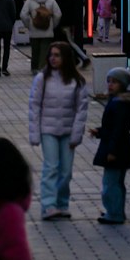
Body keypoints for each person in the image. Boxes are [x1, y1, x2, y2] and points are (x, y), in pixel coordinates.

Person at [28, 40, 90, 220]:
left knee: (66, 170)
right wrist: (34, 133)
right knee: (51, 167)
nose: (53, 59)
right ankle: (48, 205)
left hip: (68, 130)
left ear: (66, 58)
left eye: (57, 55)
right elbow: (34, 106)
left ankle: (62, 203)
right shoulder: (42, 78)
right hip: (48, 130)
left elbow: (82, 109)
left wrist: (77, 134)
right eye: (51, 55)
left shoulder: (76, 80)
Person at [89, 67, 130, 225]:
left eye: (114, 82)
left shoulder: (120, 104)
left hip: (117, 148)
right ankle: (116, 211)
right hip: (120, 147)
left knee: (110, 184)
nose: (110, 85)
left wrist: (112, 150)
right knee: (116, 182)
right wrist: (99, 131)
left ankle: (114, 213)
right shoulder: (118, 101)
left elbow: (118, 130)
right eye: (109, 81)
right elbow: (113, 127)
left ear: (122, 84)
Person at [19, 0, 61, 73]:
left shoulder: (29, 1)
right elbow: (58, 14)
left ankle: (34, 68)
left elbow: (23, 15)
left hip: (34, 31)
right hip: (47, 31)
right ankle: (42, 68)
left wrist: (29, 24)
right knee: (45, 51)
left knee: (35, 51)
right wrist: (52, 25)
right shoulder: (51, 0)